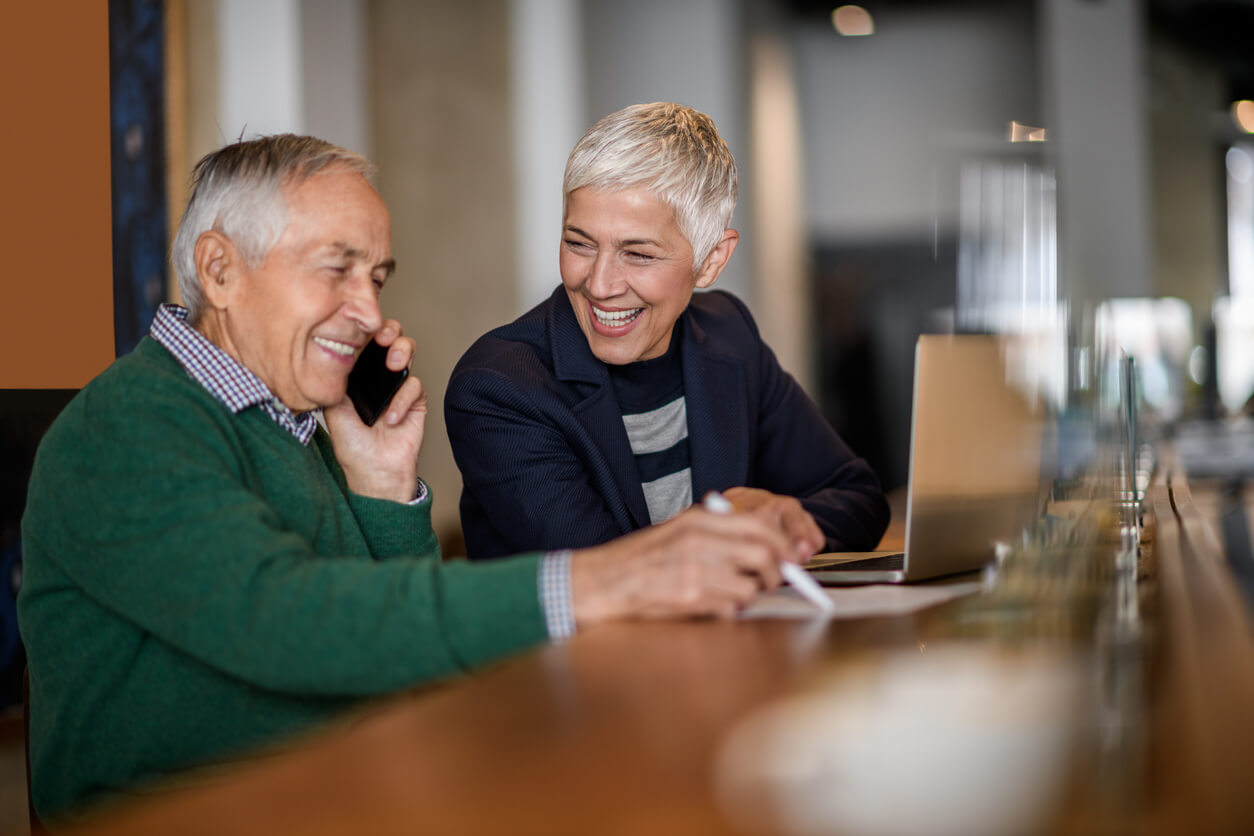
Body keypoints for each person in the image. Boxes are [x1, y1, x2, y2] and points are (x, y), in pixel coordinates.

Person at [17, 135, 803, 822]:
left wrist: (384, 491)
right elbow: (290, 623)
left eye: (378, 278)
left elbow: (396, 662)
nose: (367, 310)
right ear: (219, 269)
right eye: (338, 270)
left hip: (347, 792)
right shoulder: (129, 427)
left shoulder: (300, 422)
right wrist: (606, 581)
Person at [446, 102, 890, 560]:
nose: (599, 284)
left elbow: (856, 499)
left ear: (712, 260)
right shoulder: (500, 386)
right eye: (579, 243)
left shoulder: (730, 337)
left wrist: (769, 520)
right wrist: (730, 529)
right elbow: (600, 575)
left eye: (637, 254)